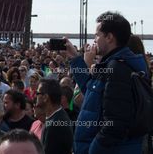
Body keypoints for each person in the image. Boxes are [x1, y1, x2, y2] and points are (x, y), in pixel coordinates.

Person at [66, 11, 148, 154]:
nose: (94, 40)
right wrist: (75, 58)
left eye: (97, 35)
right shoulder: (112, 64)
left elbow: (115, 125)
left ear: (109, 37)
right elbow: (92, 94)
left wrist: (92, 150)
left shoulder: (118, 69)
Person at [37, 79, 72, 154]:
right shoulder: (56, 117)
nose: (35, 95)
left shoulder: (55, 125)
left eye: (38, 93)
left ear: (45, 97)